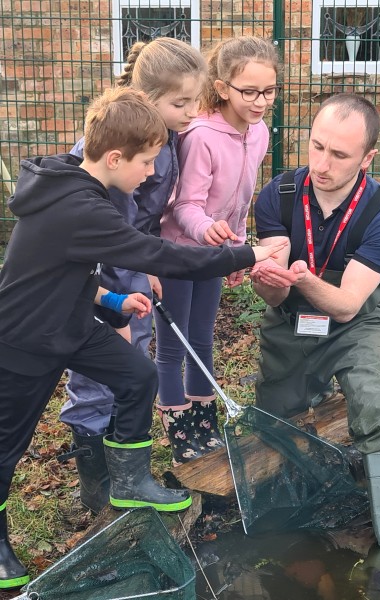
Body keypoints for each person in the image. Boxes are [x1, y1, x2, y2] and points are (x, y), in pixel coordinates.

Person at [0, 86, 286, 589]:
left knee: (136, 375)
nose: (152, 173)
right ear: (115, 157)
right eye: (147, 162)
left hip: (70, 324)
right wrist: (249, 254)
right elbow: (162, 257)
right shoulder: (79, 207)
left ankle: (131, 482)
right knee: (7, 446)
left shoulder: (83, 191)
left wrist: (112, 302)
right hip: (23, 339)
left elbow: (63, 273)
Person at [58, 37, 207, 516]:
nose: (190, 111)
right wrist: (122, 292)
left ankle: (125, 474)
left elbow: (139, 221)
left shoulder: (160, 137)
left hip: (128, 263)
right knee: (102, 369)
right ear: (148, 97)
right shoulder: (133, 148)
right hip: (100, 275)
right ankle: (99, 486)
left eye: (194, 101)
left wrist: (147, 266)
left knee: (130, 362)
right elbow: (110, 229)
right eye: (180, 103)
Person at [251, 93, 380, 548]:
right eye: (317, 146)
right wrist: (272, 278)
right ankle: (282, 525)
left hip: (354, 321)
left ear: (368, 157)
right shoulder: (279, 195)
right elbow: (273, 294)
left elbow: (348, 305)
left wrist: (303, 275)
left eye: (339, 155)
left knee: (374, 406)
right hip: (293, 314)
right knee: (275, 414)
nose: (322, 163)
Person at [154, 35, 281, 466]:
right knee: (174, 347)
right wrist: (211, 232)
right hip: (177, 252)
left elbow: (241, 199)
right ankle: (180, 433)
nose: (261, 101)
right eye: (249, 91)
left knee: (203, 339)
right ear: (223, 86)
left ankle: (204, 423)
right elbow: (184, 204)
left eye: (269, 90)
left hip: (213, 252)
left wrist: (237, 249)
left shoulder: (259, 131)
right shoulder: (201, 135)